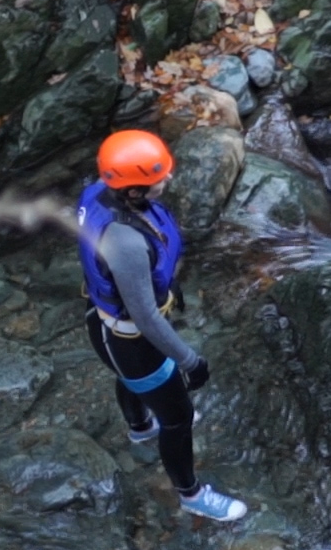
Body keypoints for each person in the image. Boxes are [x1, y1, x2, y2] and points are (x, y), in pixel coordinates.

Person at [78, 129, 247, 522]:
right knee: (179, 418)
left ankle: (139, 428)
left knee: (128, 381)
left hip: (103, 324)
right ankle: (191, 494)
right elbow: (146, 318)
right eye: (159, 177)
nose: (168, 179)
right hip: (131, 342)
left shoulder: (96, 192)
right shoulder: (125, 242)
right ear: (133, 192)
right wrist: (191, 361)